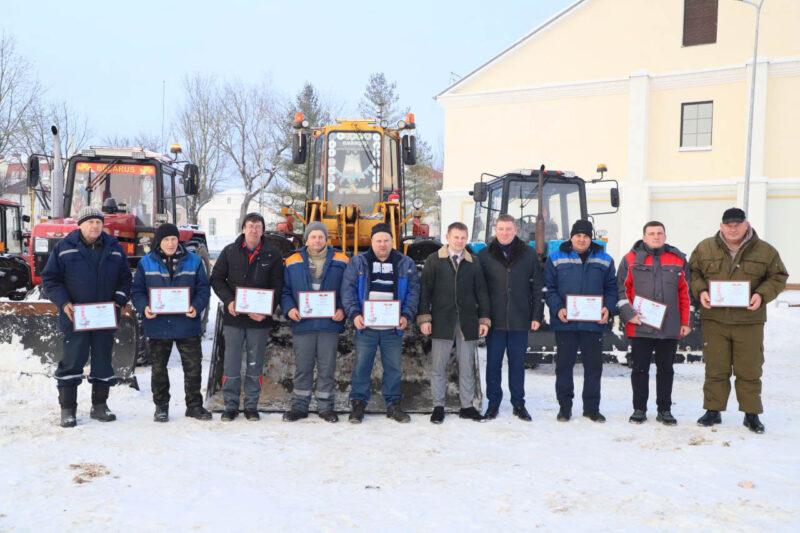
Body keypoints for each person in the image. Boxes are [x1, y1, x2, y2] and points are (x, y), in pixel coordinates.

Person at [689, 208, 788, 434]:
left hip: (749, 321)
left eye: (737, 224)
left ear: (746, 225)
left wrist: (761, 295)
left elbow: (778, 277)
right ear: (721, 226)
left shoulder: (765, 250)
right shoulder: (705, 248)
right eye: (728, 224)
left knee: (749, 368)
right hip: (715, 320)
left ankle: (751, 414)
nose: (733, 228)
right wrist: (701, 291)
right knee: (716, 367)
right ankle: (713, 411)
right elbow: (693, 273)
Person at [41, 206, 132, 428]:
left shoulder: (115, 249)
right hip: (75, 317)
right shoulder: (64, 248)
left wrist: (118, 301)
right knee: (72, 361)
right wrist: (64, 302)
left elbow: (125, 279)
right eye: (90, 222)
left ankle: (100, 406)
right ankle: (68, 409)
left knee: (102, 360)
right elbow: (50, 280)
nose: (95, 226)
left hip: (104, 318)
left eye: (99, 222)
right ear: (80, 225)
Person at [131, 223, 212, 423]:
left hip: (187, 322)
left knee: (193, 368)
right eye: (166, 239)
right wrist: (144, 307)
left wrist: (196, 306)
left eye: (174, 239)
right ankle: (161, 407)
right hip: (158, 324)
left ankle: (193, 406)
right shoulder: (146, 262)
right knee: (159, 368)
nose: (170, 243)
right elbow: (137, 291)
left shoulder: (193, 261)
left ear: (179, 240)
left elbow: (203, 288)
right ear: (159, 241)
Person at [341, 223, 420, 424]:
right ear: (372, 241)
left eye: (386, 240)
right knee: (362, 366)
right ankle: (358, 404)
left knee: (393, 367)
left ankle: (393, 404)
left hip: (392, 328)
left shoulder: (405, 263)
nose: (382, 244)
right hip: (366, 326)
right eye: (378, 241)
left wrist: (406, 315)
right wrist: (354, 314)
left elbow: (413, 292)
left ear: (392, 241)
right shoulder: (358, 262)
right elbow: (348, 290)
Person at [209, 213, 284, 422]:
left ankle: (251, 405)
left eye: (258, 226)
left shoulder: (273, 255)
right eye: (250, 226)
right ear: (243, 228)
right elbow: (216, 279)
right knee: (231, 364)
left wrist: (267, 309)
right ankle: (230, 405)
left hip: (259, 321)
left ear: (262, 230)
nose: (253, 230)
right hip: (234, 318)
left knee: (255, 364)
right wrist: (229, 301)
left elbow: (278, 286)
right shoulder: (230, 252)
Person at [617, 221, 691, 425]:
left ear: (665, 236)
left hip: (669, 326)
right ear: (644, 237)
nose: (656, 236)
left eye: (660, 233)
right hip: (640, 325)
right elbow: (621, 290)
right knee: (640, 369)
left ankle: (665, 410)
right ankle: (639, 409)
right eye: (651, 233)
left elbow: (685, 293)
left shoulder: (678, 260)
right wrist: (627, 313)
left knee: (666, 370)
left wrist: (686, 321)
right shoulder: (630, 259)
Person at [543, 220, 617, 423]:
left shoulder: (605, 259)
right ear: (571, 237)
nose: (582, 239)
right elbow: (548, 288)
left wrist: (608, 308)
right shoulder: (556, 257)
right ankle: (564, 407)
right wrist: (558, 309)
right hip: (566, 322)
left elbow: (612, 288)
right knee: (564, 366)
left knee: (593, 367)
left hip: (593, 324)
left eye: (586, 236)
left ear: (591, 238)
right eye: (578, 235)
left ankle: (591, 408)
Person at [418, 222, 490, 424]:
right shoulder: (434, 260)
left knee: (467, 365)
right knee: (438, 366)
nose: (459, 241)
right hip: (442, 320)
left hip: (467, 321)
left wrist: (484, 319)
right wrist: (424, 318)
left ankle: (467, 406)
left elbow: (482, 293)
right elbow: (425, 292)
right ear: (447, 238)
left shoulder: (473, 262)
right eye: (455, 237)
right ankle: (438, 406)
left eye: (463, 238)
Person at [280, 222, 348, 423]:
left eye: (321, 236)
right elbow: (284, 290)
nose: (317, 240)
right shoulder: (292, 260)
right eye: (313, 236)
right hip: (304, 324)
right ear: (306, 239)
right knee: (303, 366)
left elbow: (349, 289)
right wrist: (290, 308)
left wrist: (342, 309)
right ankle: (300, 406)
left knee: (327, 366)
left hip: (329, 324)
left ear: (327, 239)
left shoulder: (342, 259)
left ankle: (326, 407)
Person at [478, 214, 543, 421]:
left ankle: (518, 404)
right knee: (493, 364)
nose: (504, 233)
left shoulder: (529, 254)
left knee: (517, 363)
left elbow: (537, 288)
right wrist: (483, 317)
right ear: (495, 231)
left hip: (520, 318)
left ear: (515, 230)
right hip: (494, 320)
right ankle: (493, 403)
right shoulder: (485, 255)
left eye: (508, 229)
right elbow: (480, 290)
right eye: (501, 229)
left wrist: (536, 316)